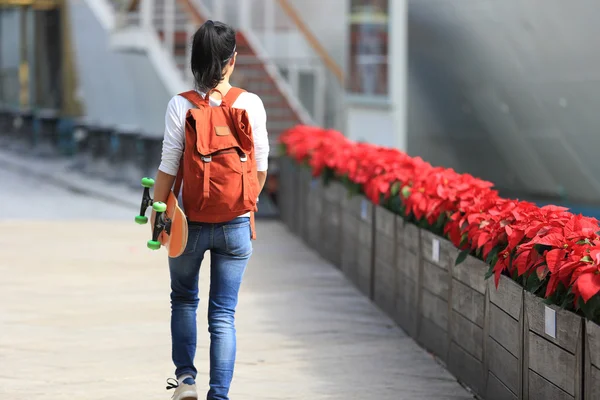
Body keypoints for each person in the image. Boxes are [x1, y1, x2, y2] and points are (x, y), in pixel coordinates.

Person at [151, 20, 269, 400]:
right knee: (223, 315)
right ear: (231, 61)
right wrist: (241, 204)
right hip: (236, 225)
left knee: (183, 298)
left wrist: (158, 214)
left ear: (194, 60)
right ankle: (220, 395)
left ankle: (185, 380)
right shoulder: (250, 104)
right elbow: (261, 168)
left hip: (189, 224)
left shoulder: (179, 105)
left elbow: (169, 167)